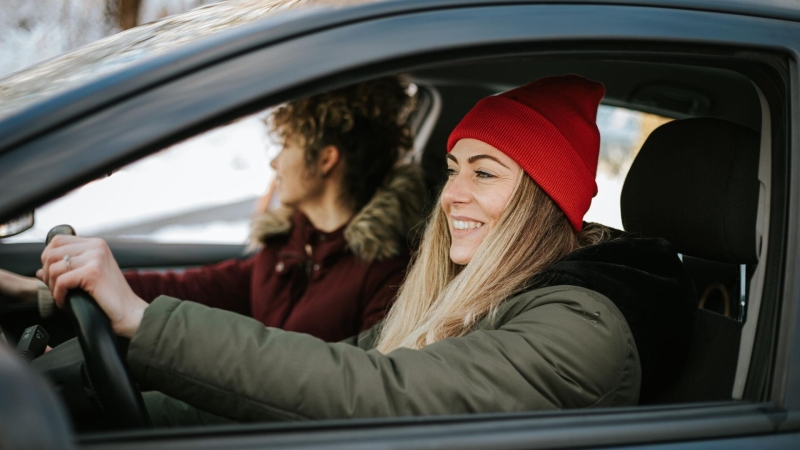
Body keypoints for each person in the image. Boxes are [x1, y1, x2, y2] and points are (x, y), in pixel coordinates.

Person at [37, 75, 697, 423]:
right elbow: (343, 361)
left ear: (541, 200)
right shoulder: (485, 294)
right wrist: (106, 393)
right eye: (454, 168)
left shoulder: (583, 326)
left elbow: (381, 392)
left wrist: (144, 323)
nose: (450, 195)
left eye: (484, 172)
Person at [1, 77, 426, 342]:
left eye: (286, 146)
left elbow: (356, 388)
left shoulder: (388, 274)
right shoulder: (292, 245)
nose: (275, 163)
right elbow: (192, 288)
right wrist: (42, 292)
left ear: (327, 159)